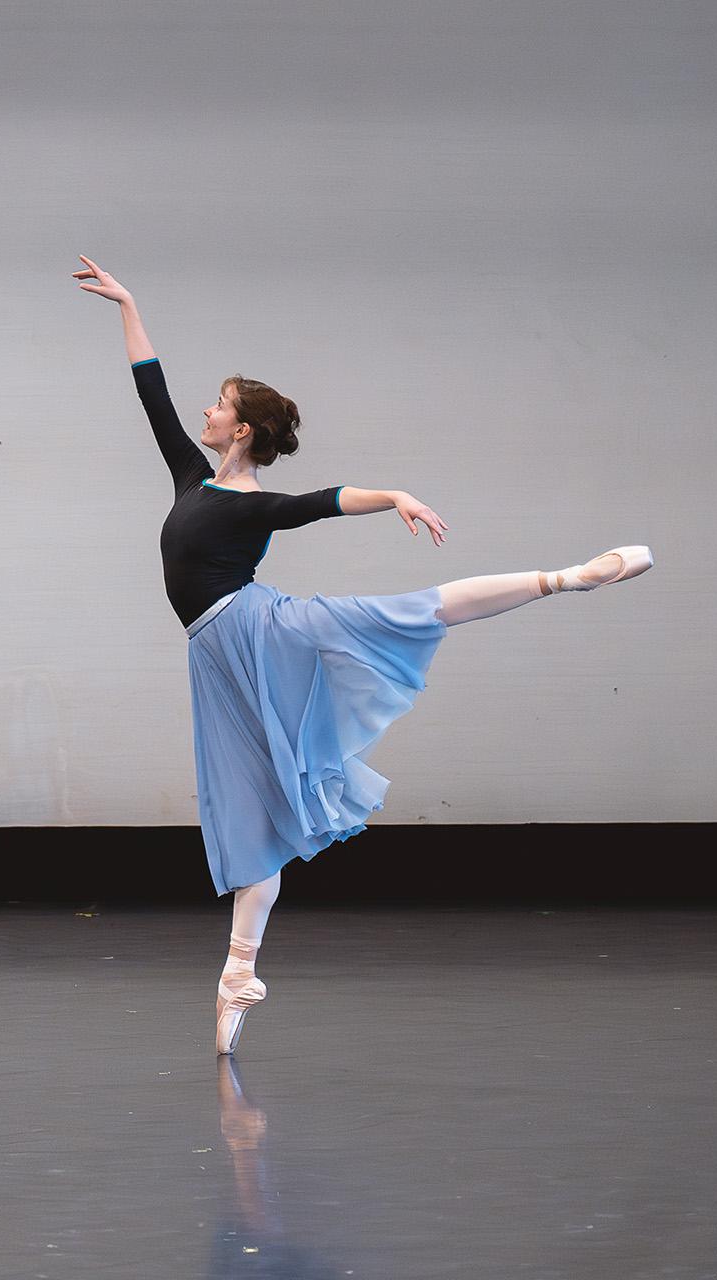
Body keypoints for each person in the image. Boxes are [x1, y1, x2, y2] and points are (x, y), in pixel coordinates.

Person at [72, 256, 651, 1055]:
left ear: (242, 430)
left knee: (408, 613)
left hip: (261, 634)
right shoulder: (191, 479)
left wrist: (395, 496)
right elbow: (152, 392)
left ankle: (566, 578)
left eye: (220, 405)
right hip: (217, 662)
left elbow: (326, 501)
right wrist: (128, 305)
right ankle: (239, 972)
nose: (206, 410)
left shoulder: (257, 507)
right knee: (252, 808)